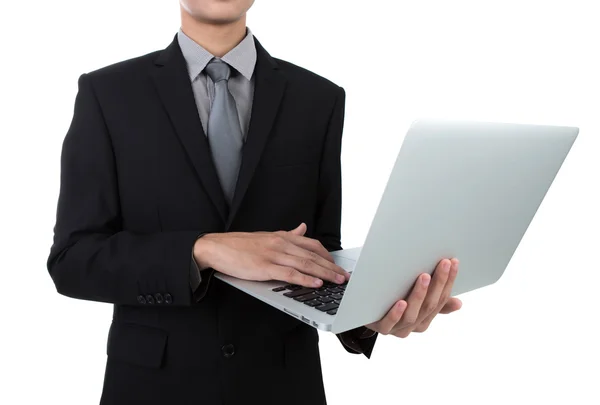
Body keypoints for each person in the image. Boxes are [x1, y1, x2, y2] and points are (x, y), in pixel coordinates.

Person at [47, 1, 463, 404]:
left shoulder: (318, 99)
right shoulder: (108, 93)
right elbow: (73, 258)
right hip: (153, 387)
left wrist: (364, 311)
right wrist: (203, 249)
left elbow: (321, 253)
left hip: (283, 385)